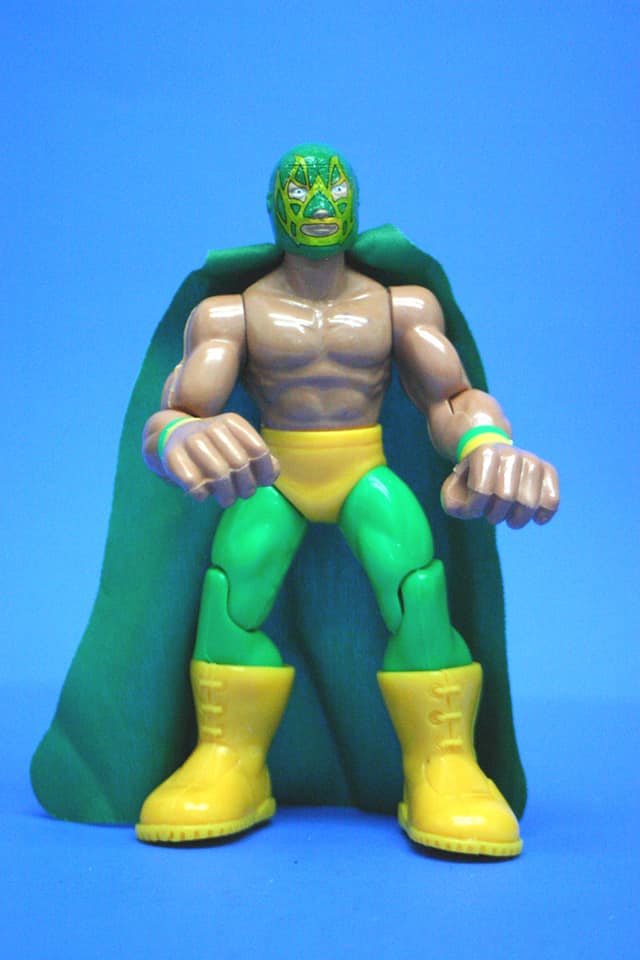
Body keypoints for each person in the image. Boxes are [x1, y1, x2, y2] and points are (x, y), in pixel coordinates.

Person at [135, 144, 559, 856]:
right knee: (231, 585)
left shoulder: (398, 306)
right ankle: (228, 758)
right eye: (300, 190)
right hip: (277, 472)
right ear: (274, 207)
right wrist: (179, 435)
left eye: (331, 189)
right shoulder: (231, 315)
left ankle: (444, 762)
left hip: (364, 468)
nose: (318, 204)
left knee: (417, 585)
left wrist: (487, 445)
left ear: (355, 203)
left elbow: (451, 398)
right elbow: (174, 413)